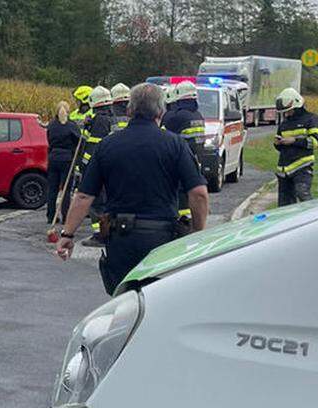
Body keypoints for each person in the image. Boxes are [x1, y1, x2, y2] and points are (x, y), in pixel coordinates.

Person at [56, 83, 210, 295]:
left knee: (123, 304)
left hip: (119, 239)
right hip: (162, 239)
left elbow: (83, 196)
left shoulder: (107, 145)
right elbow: (199, 194)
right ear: (161, 112)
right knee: (160, 300)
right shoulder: (175, 144)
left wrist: (67, 235)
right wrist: (198, 233)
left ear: (129, 110)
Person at [161, 80, 206, 229]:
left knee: (180, 195)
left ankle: (182, 224)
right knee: (191, 193)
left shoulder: (177, 117)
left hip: (179, 163)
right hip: (196, 161)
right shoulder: (198, 115)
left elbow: (163, 139)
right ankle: (190, 222)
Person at [75, 86, 115, 245]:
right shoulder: (111, 118)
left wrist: (83, 166)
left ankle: (100, 235)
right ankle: (107, 232)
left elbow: (92, 148)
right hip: (111, 167)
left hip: (97, 168)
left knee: (97, 202)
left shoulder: (99, 120)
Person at [274, 87, 318, 206]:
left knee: (303, 194)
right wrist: (278, 144)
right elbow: (282, 147)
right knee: (284, 206)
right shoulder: (284, 124)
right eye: (285, 112)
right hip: (284, 170)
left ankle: (313, 218)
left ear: (297, 105)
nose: (287, 114)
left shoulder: (311, 119)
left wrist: (294, 141)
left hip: (303, 166)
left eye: (289, 110)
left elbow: (317, 142)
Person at [46, 101, 82, 225]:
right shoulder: (71, 126)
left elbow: (49, 140)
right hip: (67, 159)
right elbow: (79, 141)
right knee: (66, 190)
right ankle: (66, 217)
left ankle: (51, 216)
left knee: (52, 189)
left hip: (53, 158)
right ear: (68, 111)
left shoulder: (51, 125)